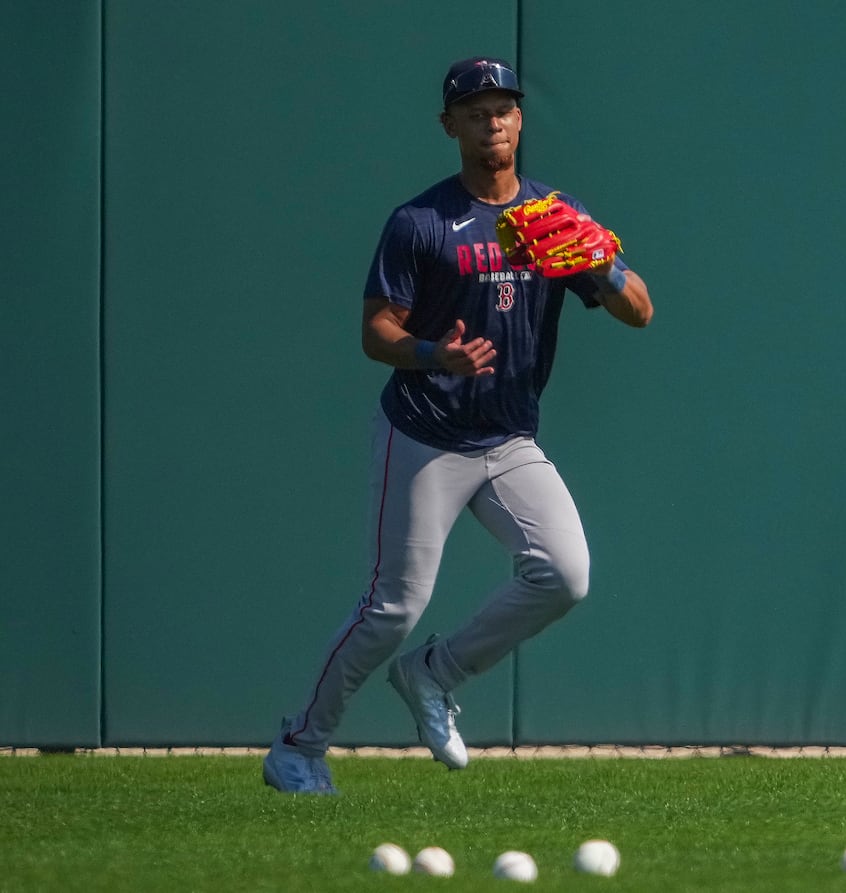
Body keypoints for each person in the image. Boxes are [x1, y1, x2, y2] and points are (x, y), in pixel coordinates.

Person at [262, 56, 653, 794]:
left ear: (521, 119)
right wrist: (430, 352)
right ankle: (299, 745)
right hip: (425, 432)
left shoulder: (550, 218)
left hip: (507, 438)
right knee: (392, 606)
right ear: (451, 127)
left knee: (565, 574)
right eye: (475, 111)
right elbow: (375, 331)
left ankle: (434, 674)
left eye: (503, 107)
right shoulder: (420, 221)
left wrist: (600, 264)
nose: (492, 120)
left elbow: (641, 311)